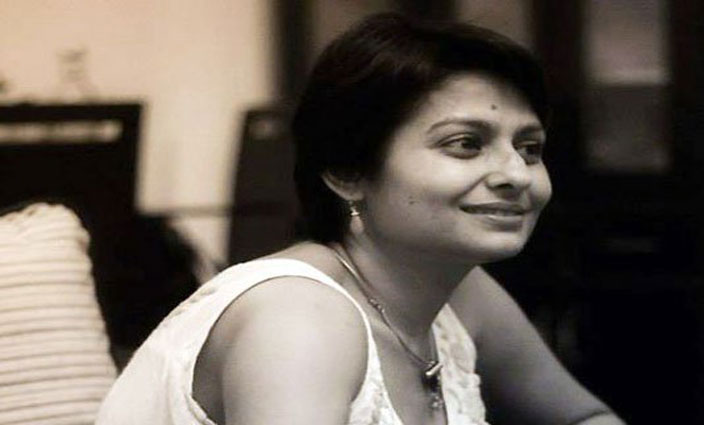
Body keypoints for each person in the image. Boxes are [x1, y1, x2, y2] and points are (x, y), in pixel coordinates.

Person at [97, 13, 625, 425]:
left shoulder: (462, 296)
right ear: (348, 173)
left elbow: (584, 417)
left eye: (529, 149)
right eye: (465, 144)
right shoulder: (295, 317)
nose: (516, 174)